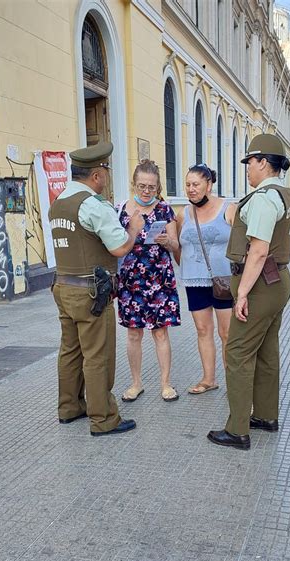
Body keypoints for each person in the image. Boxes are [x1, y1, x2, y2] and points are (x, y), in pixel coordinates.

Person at [48, 141, 144, 436]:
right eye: (105, 171)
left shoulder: (59, 202)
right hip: (91, 291)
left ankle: (69, 407)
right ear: (96, 175)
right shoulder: (92, 205)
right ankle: (103, 419)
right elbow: (118, 247)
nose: (106, 177)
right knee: (97, 355)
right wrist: (134, 230)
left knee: (70, 351)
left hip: (63, 287)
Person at [207, 134, 290, 450]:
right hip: (277, 282)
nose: (247, 168)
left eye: (250, 162)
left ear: (262, 162)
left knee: (238, 353)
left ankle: (238, 429)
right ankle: (266, 416)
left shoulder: (262, 198)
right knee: (267, 351)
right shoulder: (283, 194)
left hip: (258, 286)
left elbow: (258, 251)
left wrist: (241, 294)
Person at [116, 160, 181, 403]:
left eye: (151, 187)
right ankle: (136, 383)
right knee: (134, 334)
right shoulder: (122, 209)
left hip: (160, 279)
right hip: (131, 281)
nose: (146, 191)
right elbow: (115, 245)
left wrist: (167, 242)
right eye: (142, 186)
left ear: (158, 187)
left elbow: (176, 245)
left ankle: (166, 383)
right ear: (133, 184)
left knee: (161, 333)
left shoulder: (165, 210)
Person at [174, 164, 235, 394]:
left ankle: (233, 381)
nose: (191, 189)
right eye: (188, 184)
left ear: (209, 185)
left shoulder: (229, 210)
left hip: (224, 280)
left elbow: (243, 244)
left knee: (227, 333)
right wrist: (188, 266)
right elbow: (179, 247)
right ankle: (209, 379)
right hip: (194, 281)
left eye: (196, 184)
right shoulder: (183, 214)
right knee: (203, 330)